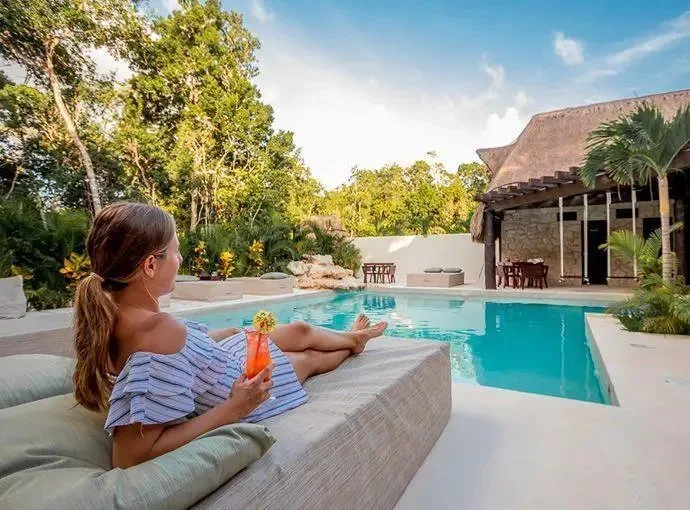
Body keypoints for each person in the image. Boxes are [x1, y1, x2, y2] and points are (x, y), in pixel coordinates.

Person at [72, 202, 388, 469]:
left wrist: (220, 335)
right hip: (239, 386)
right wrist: (236, 407)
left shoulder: (117, 318)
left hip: (223, 362)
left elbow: (178, 360)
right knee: (308, 360)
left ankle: (352, 338)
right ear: (151, 265)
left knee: (300, 330)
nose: (180, 260)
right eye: (176, 251)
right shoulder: (154, 332)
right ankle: (353, 345)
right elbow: (131, 457)